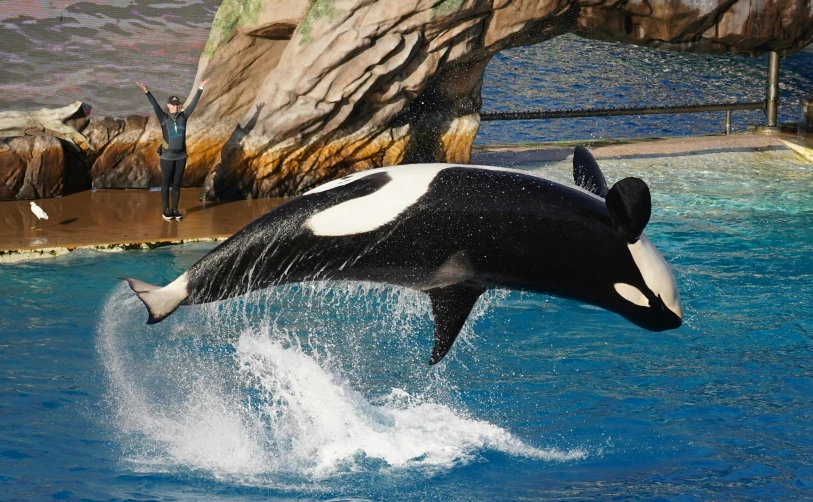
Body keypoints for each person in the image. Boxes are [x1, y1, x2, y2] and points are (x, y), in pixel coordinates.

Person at [135, 78, 209, 220]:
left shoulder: (183, 116)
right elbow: (155, 105)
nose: (176, 107)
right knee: (166, 182)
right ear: (168, 105)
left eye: (177, 104)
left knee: (176, 183)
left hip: (181, 156)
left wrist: (200, 88)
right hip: (167, 156)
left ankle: (175, 209)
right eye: (173, 105)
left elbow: (193, 104)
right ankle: (166, 210)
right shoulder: (164, 118)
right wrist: (147, 92)